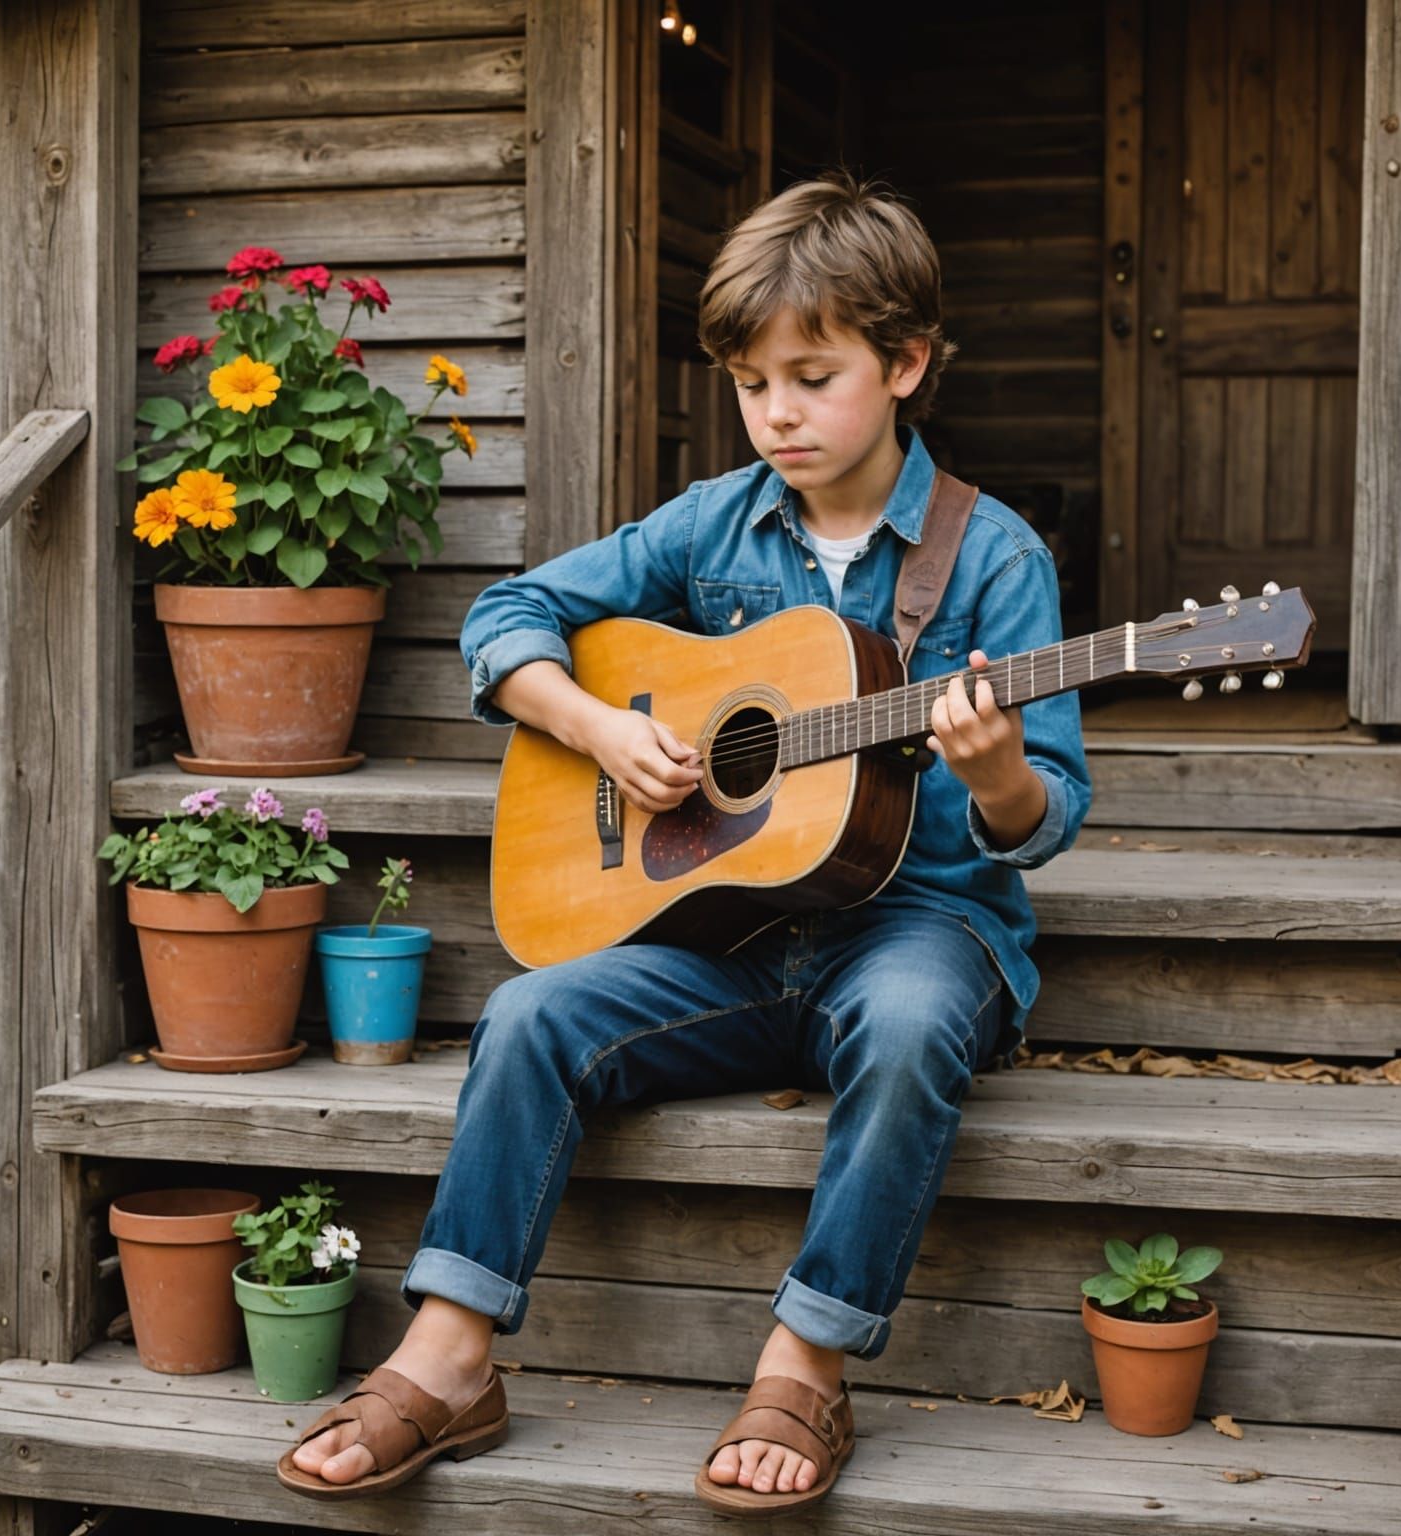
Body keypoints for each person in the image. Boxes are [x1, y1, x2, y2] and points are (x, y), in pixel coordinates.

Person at [278, 171, 1091, 1516]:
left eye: (812, 377)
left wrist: (998, 771)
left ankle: (807, 1364)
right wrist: (598, 729)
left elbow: (1045, 817)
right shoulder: (713, 523)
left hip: (917, 933)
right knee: (533, 1014)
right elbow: (509, 618)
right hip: (723, 940)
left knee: (901, 1023)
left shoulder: (995, 558)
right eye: (750, 382)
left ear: (904, 364)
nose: (777, 413)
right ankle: (449, 1354)